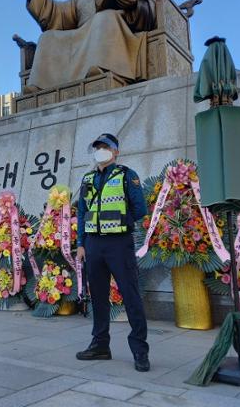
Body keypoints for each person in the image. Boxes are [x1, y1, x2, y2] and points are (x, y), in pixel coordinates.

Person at [15, 0, 158, 91]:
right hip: (81, 36)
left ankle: (102, 68)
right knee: (47, 37)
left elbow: (151, 9)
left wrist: (134, 4)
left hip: (115, 34)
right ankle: (39, 86)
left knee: (103, 17)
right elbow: (59, 14)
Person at [75, 133, 150, 372]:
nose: (101, 151)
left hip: (119, 243)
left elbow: (140, 209)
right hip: (93, 245)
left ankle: (139, 350)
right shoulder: (87, 178)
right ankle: (100, 345)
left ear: (116, 152)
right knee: (97, 297)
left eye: (105, 147)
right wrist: (81, 243)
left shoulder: (127, 176)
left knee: (130, 295)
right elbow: (81, 213)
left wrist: (121, 221)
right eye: (97, 147)